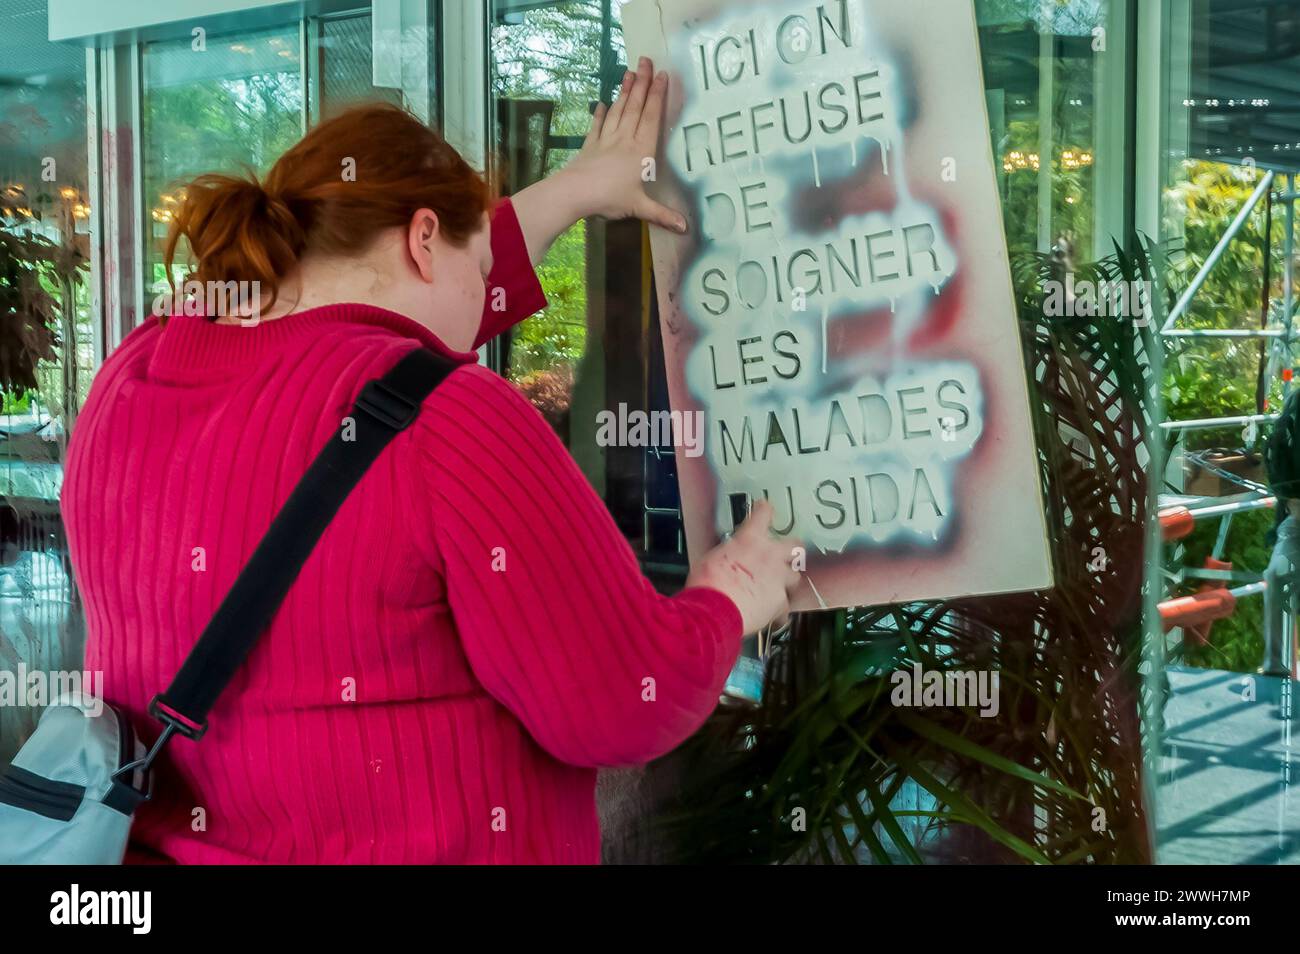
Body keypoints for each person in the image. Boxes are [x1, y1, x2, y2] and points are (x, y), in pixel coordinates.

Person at [61, 59, 802, 863]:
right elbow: (619, 704)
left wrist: (581, 187)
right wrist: (728, 600)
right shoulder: (454, 420)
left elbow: (348, 346)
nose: (482, 307)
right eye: (481, 272)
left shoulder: (133, 375)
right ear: (421, 240)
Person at [1262, 390, 1300, 677]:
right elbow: (1281, 492)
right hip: (1295, 524)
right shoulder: (1285, 434)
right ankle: (1273, 663)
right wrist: (1278, 525)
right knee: (1274, 575)